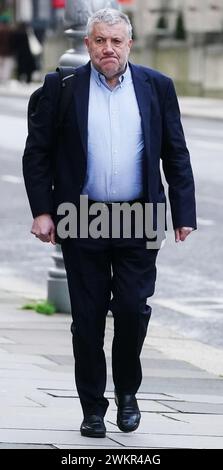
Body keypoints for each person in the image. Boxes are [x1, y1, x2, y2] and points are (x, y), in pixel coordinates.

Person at [22, 8, 196, 438]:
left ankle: (128, 393)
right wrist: (42, 210)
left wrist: (183, 213)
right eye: (100, 41)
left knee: (134, 310)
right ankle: (93, 408)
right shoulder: (61, 87)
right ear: (88, 44)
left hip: (140, 216)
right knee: (87, 318)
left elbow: (175, 152)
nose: (108, 49)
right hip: (83, 217)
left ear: (129, 44)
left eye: (116, 41)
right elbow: (38, 151)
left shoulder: (157, 86)